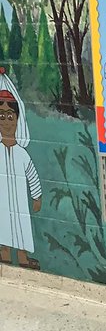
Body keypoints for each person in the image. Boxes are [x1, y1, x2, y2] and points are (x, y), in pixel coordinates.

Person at [0, 69, 42, 269]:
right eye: (1, 117)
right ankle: (5, 256)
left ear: (18, 120)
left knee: (22, 227)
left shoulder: (21, 153)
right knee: (4, 226)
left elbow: (32, 175)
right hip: (2, 200)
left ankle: (23, 258)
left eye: (10, 117)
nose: (6, 122)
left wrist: (37, 196)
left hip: (20, 202)